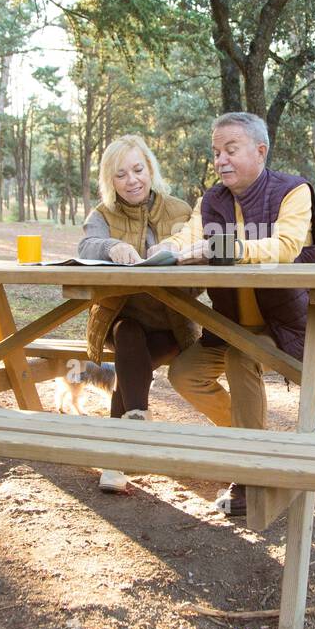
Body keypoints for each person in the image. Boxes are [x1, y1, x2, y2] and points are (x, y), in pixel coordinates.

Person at [148, 112, 315, 517]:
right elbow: (189, 236)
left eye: (231, 150)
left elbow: (285, 246)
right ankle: (258, 446)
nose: (221, 160)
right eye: (215, 152)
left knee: (241, 357)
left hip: (287, 326)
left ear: (260, 151)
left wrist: (226, 247)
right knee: (183, 373)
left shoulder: (294, 191)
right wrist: (159, 253)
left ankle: (251, 470)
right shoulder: (212, 200)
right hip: (228, 325)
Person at [77, 134, 200, 493]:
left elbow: (201, 259)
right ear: (109, 180)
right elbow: (85, 245)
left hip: (172, 324)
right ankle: (137, 425)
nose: (132, 180)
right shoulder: (102, 215)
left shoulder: (180, 210)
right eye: (120, 174)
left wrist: (180, 253)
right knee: (129, 334)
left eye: (138, 169)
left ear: (150, 169)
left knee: (133, 365)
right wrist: (111, 246)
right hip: (120, 320)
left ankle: (117, 458)